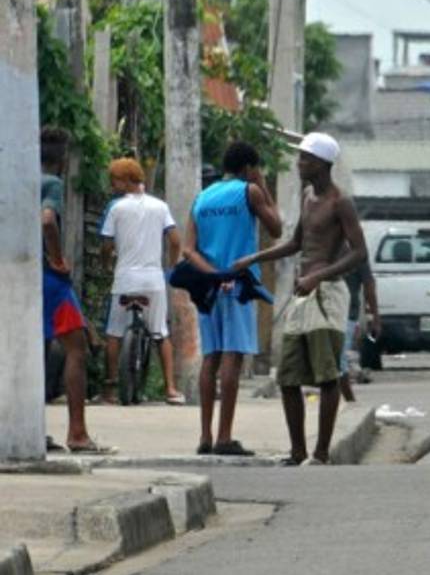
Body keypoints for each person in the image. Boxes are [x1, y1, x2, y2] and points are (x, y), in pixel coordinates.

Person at [234, 133, 369, 465]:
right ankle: (297, 451)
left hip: (327, 293)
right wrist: (254, 258)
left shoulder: (341, 202)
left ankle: (321, 452)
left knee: (326, 374)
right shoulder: (308, 197)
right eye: (300, 158)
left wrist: (318, 276)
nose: (299, 164)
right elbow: (296, 243)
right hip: (302, 293)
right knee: (289, 376)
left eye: (305, 159)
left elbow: (360, 253)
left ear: (323, 164)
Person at [182, 141, 282, 456]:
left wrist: (213, 275)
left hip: (208, 285)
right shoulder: (248, 192)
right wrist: (263, 186)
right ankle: (225, 437)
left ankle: (205, 436)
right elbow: (277, 228)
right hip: (238, 283)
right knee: (233, 356)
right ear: (249, 168)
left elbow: (188, 249)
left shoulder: (202, 197)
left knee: (211, 357)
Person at [40, 128, 113, 454]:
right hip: (48, 279)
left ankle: (30, 430)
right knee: (77, 347)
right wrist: (57, 260)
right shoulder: (51, 183)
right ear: (63, 158)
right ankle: (78, 433)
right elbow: (47, 221)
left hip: (18, 279)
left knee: (32, 350)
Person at [99, 158, 185, 405]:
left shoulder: (115, 208)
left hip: (125, 278)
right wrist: (170, 265)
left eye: (115, 180)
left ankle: (112, 388)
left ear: (126, 180)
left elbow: (106, 245)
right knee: (160, 332)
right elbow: (175, 240)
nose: (112, 185)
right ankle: (170, 389)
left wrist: (107, 265)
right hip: (153, 280)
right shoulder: (160, 206)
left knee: (114, 333)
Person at [340, 261, 380, 400]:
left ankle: (349, 399)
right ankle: (348, 398)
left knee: (339, 361)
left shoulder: (356, 254)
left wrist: (375, 317)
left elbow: (369, 286)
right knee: (338, 361)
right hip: (329, 312)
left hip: (346, 313)